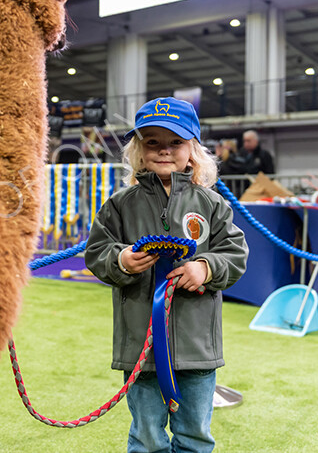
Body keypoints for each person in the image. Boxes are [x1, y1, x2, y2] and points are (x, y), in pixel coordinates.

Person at [85, 97, 248, 453]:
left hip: (196, 349)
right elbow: (96, 252)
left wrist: (205, 267)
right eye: (152, 142)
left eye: (175, 142)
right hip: (140, 353)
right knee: (146, 438)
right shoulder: (119, 205)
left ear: (193, 150)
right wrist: (122, 260)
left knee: (194, 437)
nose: (164, 150)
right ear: (138, 150)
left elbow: (235, 254)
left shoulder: (213, 204)